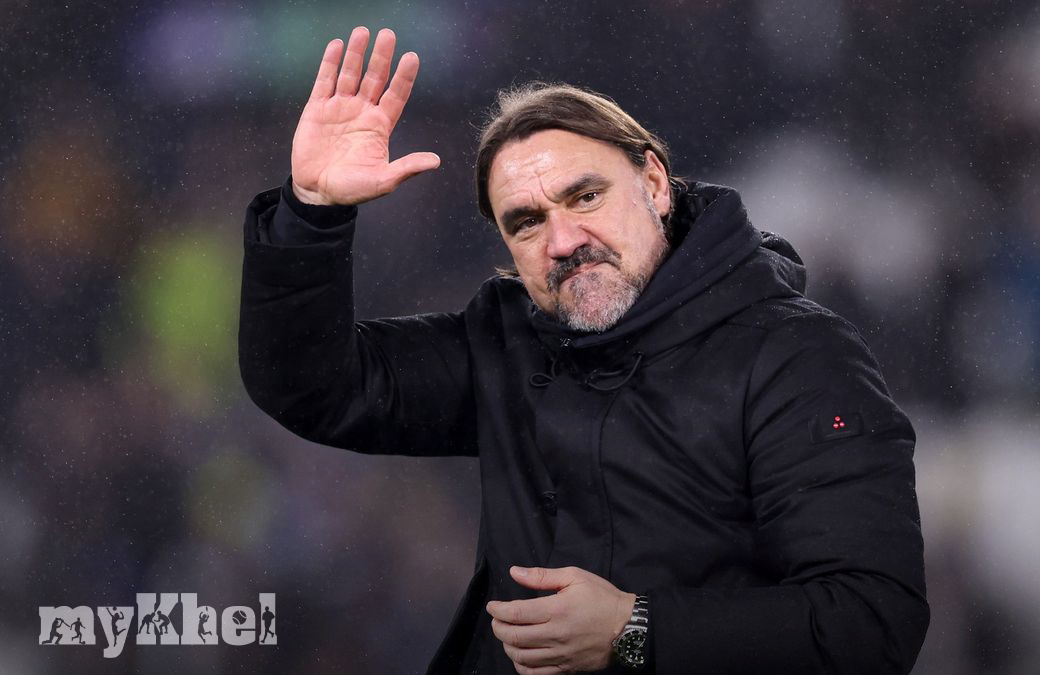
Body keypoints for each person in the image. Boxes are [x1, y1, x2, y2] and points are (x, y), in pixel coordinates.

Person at [239, 26, 928, 675]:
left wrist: (635, 630)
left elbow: (870, 622)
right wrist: (311, 212)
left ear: (654, 184)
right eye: (526, 222)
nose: (563, 240)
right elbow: (314, 387)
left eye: (586, 196)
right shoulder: (504, 343)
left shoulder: (796, 357)